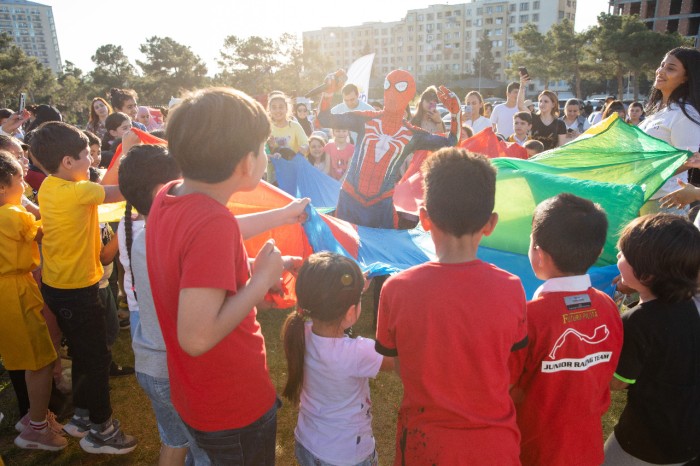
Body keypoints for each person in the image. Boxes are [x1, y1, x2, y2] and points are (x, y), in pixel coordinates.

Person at [146, 87, 309, 465]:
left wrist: (284, 216)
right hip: (232, 405)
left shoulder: (172, 195)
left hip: (196, 394)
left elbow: (211, 241)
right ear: (244, 164)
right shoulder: (211, 223)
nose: (266, 156)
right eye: (263, 147)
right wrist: (259, 280)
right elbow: (197, 336)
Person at [375, 147, 527, 465]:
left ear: (425, 218)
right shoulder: (512, 289)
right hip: (494, 448)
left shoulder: (396, 289)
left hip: (424, 446)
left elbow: (399, 364)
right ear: (491, 223)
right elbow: (510, 367)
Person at [30, 121, 136, 454]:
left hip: (56, 287)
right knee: (97, 359)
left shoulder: (48, 186)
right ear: (67, 162)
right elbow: (119, 191)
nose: (91, 161)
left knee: (83, 352)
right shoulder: (80, 191)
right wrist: (129, 150)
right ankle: (102, 430)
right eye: (84, 156)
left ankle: (80, 416)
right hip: (80, 290)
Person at [509, 193, 623, 466]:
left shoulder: (527, 317)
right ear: (597, 253)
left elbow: (505, 388)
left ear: (537, 252)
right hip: (587, 449)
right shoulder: (607, 306)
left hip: (532, 450)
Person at [117, 144, 210, 466]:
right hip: (173, 371)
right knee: (204, 452)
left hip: (148, 360)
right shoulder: (161, 237)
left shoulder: (136, 229)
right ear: (163, 192)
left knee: (175, 441)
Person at [604, 214, 700, 465]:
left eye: (623, 255)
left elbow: (617, 382)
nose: (617, 258)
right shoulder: (690, 304)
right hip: (688, 432)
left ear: (646, 276)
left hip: (646, 441)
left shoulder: (637, 322)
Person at [282, 252, 392, 466]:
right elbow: (399, 360)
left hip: (307, 445)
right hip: (348, 456)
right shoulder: (360, 352)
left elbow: (327, 303)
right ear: (351, 313)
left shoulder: (299, 332)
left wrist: (354, 290)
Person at [318, 69, 462, 228]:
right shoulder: (365, 119)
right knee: (344, 245)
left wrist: (456, 114)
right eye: (388, 85)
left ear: (409, 95)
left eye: (400, 87)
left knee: (380, 248)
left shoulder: (412, 135)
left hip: (381, 204)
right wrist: (327, 93)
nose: (392, 92)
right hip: (350, 197)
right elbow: (325, 119)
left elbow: (450, 142)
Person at [0, 151, 67, 451]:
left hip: (10, 291)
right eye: (19, 179)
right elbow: (45, 229)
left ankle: (34, 417)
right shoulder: (11, 215)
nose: (25, 185)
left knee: (32, 356)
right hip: (15, 291)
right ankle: (36, 428)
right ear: (3, 186)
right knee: (40, 359)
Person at [638, 47, 700, 214]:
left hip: (665, 200)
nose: (660, 71)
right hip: (641, 196)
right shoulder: (658, 111)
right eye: (662, 65)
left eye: (670, 68)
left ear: (686, 78)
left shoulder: (685, 114)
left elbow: (689, 159)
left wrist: (651, 175)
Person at [518, 75, 566, 150]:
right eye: (540, 101)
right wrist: (522, 86)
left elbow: (562, 147)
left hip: (549, 159)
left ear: (553, 104)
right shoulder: (533, 118)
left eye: (546, 101)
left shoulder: (560, 124)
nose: (542, 104)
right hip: (533, 158)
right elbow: (520, 106)